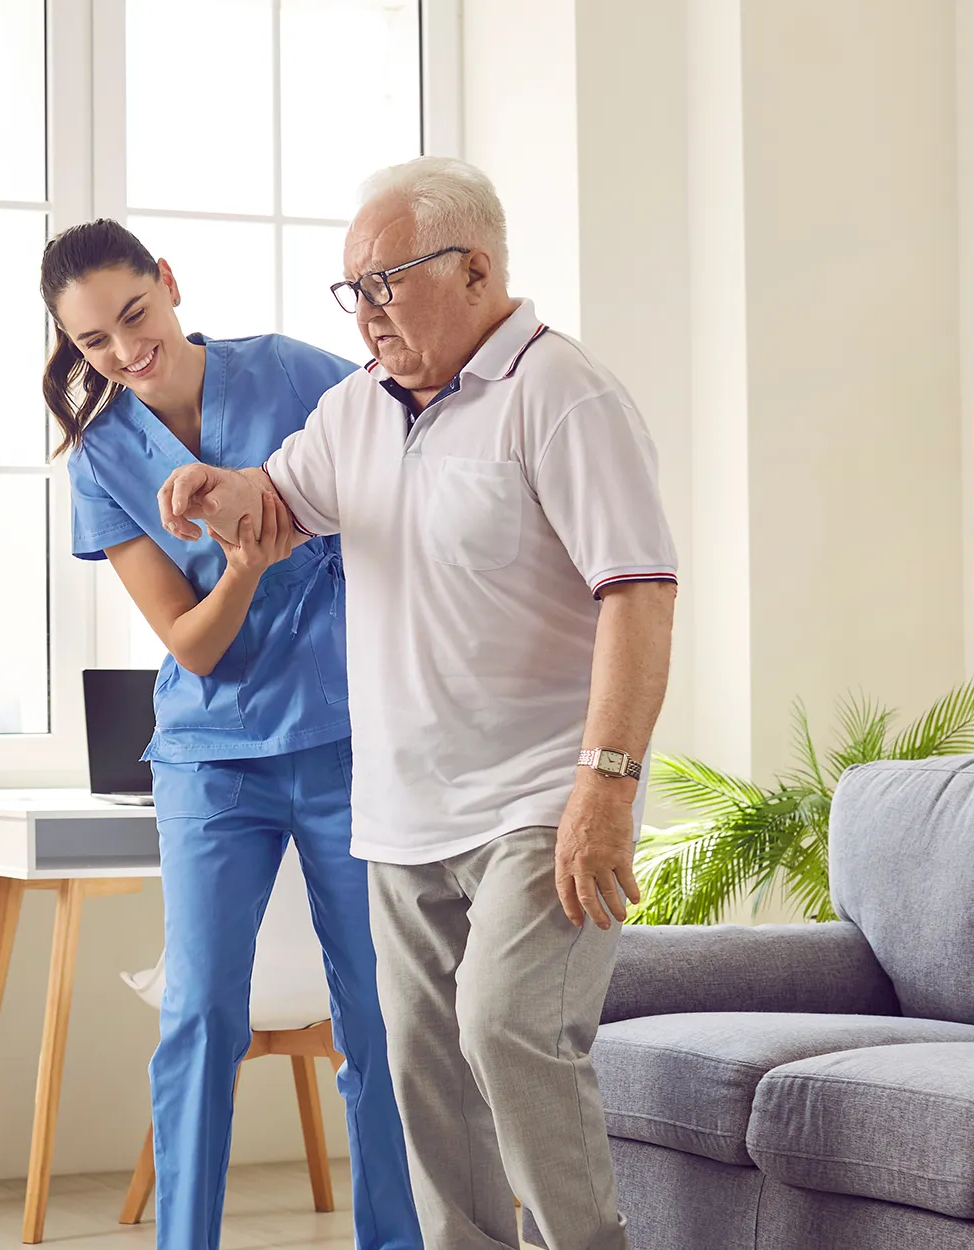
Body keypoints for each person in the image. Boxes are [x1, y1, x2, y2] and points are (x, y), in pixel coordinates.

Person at [157, 157, 678, 1250]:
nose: (364, 313)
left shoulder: (560, 393)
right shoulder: (354, 409)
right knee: (423, 1069)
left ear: (475, 269)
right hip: (402, 815)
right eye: (351, 290)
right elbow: (280, 503)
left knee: (506, 1026)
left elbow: (637, 593)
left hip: (542, 800)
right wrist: (225, 492)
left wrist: (606, 785)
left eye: (385, 284)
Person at [40, 219, 421, 1250]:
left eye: (135, 315)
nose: (127, 350)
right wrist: (247, 563)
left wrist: (298, 516)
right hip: (211, 761)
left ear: (167, 282)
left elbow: (402, 461)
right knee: (202, 1017)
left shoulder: (293, 372)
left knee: (376, 1015)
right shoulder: (102, 458)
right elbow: (191, 645)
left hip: (347, 742)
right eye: (94, 341)